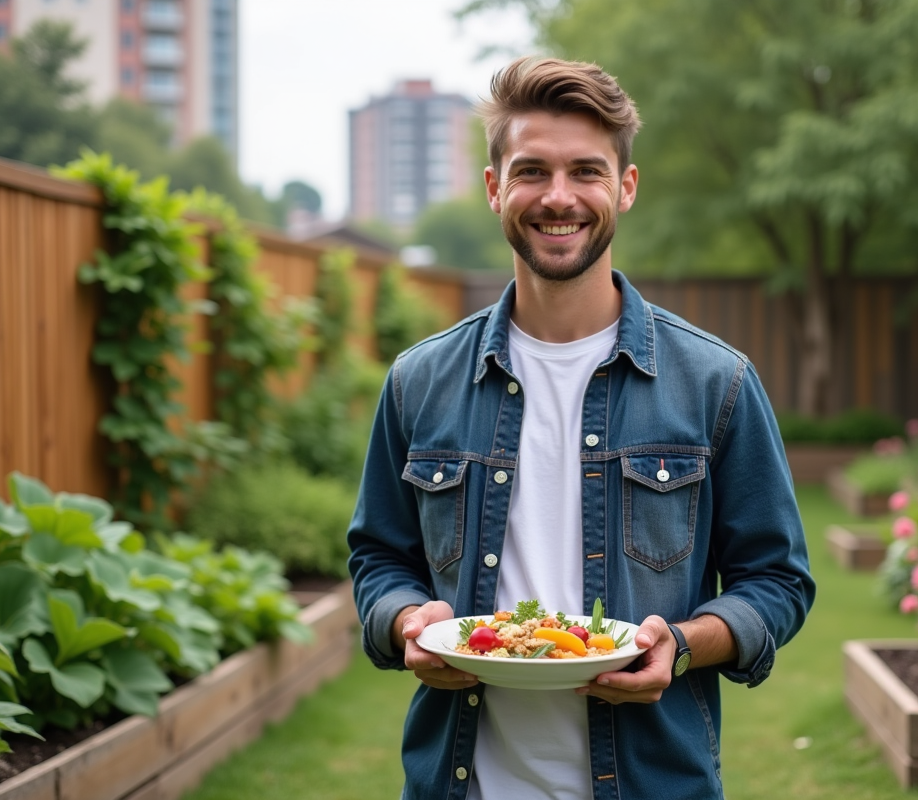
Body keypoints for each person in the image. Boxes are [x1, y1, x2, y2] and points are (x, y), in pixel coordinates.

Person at [347, 55, 815, 800]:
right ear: (495, 187)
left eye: (586, 171)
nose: (558, 196)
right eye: (532, 171)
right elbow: (378, 556)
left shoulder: (715, 381)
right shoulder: (419, 380)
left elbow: (777, 580)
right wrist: (407, 620)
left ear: (624, 187)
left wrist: (681, 647)